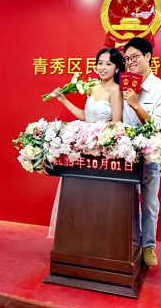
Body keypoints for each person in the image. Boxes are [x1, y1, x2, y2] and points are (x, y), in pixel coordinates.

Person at [47, 48, 125, 239]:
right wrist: (63, 100)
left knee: (98, 198)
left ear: (117, 68)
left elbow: (117, 123)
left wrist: (96, 133)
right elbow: (84, 116)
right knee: (79, 196)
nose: (103, 67)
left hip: (102, 150)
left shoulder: (116, 90)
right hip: (83, 148)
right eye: (100, 63)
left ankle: (99, 238)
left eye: (108, 64)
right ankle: (77, 237)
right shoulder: (92, 86)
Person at [122, 37, 161, 267]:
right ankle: (132, 242)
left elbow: (157, 127)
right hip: (126, 155)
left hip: (151, 156)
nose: (130, 62)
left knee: (150, 202)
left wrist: (136, 105)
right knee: (127, 200)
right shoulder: (125, 87)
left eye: (134, 57)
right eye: (127, 59)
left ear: (148, 57)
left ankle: (148, 246)